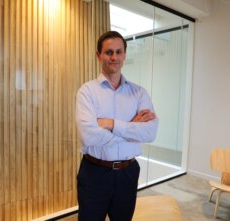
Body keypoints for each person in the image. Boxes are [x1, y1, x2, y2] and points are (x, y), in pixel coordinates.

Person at [75, 31, 159, 221]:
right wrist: (131, 127)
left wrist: (111, 124)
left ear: (124, 55)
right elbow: (89, 136)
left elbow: (150, 132)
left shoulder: (139, 93)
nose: (114, 57)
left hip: (128, 173)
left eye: (119, 52)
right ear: (99, 56)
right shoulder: (87, 92)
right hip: (94, 173)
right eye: (109, 52)